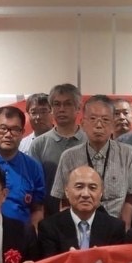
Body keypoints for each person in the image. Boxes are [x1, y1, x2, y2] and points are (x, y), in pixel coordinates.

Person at [51, 95, 132, 227]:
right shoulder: (69, 156)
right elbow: (64, 199)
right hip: (80, 226)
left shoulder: (128, 153)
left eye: (105, 120)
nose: (99, 125)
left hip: (115, 228)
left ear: (113, 124)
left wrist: (125, 229)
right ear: (83, 124)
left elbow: (129, 197)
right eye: (93, 119)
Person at [33, 166, 126, 258]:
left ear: (101, 193)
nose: (85, 194)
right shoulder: (49, 227)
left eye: (92, 188)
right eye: (79, 187)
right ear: (66, 191)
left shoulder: (115, 228)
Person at [28, 83, 86, 215]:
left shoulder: (91, 141)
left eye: (67, 104)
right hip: (50, 217)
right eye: (57, 104)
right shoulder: (39, 144)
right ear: (51, 108)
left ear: (78, 108)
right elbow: (34, 186)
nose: (62, 109)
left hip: (87, 215)